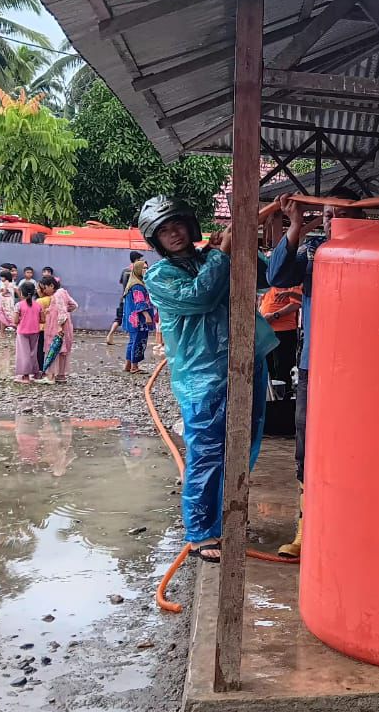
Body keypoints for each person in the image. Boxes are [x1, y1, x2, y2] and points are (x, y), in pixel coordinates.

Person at [139, 195, 276, 563]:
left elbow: (267, 274)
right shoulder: (160, 275)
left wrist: (245, 241)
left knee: (243, 445)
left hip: (245, 362)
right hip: (203, 377)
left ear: (190, 225)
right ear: (156, 241)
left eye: (177, 225)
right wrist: (223, 252)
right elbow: (199, 296)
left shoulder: (213, 256)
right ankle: (201, 533)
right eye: (164, 231)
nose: (174, 235)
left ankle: (225, 516)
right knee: (206, 453)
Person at [267, 188, 366, 558]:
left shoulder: (376, 252)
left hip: (363, 372)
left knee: (356, 448)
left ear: (360, 217)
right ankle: (305, 530)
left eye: (337, 213)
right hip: (315, 366)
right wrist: (295, 226)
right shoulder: (314, 251)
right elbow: (277, 275)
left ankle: (350, 528)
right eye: (325, 214)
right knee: (308, 449)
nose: (329, 220)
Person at [258, 283, 302, 390]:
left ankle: (283, 401)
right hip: (267, 331)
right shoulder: (270, 280)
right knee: (268, 369)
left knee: (282, 370)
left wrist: (275, 315)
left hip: (284, 331)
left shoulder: (290, 277)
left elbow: (297, 303)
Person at [37, 277, 77, 384]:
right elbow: (74, 305)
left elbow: (62, 312)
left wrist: (59, 325)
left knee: (53, 348)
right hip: (65, 325)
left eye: (44, 288)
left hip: (56, 325)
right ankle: (61, 375)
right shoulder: (63, 292)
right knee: (62, 349)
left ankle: (51, 376)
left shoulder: (57, 295)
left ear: (51, 286)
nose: (44, 291)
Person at [121, 259, 157, 374]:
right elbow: (140, 303)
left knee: (132, 341)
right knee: (138, 341)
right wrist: (147, 316)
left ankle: (128, 365)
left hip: (132, 320)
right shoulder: (138, 286)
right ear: (137, 270)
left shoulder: (132, 284)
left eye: (146, 268)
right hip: (139, 320)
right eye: (143, 268)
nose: (146, 270)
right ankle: (134, 366)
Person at [107, 251, 146, 345]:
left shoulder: (125, 270)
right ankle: (133, 339)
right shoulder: (137, 271)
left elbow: (121, 282)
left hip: (124, 297)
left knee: (119, 318)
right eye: (139, 259)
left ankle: (110, 335)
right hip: (134, 299)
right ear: (136, 259)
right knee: (135, 319)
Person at [11, 280, 43, 383]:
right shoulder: (38, 305)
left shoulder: (19, 305)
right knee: (33, 352)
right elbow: (43, 320)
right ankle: (36, 373)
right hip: (35, 331)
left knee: (23, 353)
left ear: (21, 292)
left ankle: (25, 376)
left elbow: (15, 321)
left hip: (22, 331)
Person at [0, 268, 17, 335]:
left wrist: (2, 293)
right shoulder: (11, 283)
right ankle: (2, 332)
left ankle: (15, 328)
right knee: (6, 315)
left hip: (5, 302)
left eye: (2, 277)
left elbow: (5, 291)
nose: (1, 278)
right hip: (7, 301)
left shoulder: (6, 283)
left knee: (7, 315)